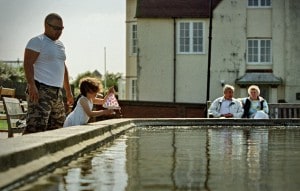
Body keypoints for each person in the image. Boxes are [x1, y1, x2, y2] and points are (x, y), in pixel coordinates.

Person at [23, 13, 74, 134]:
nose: (59, 32)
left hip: (57, 92)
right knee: (36, 128)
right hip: (40, 90)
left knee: (58, 127)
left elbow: (62, 67)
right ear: (46, 25)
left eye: (61, 29)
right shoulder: (37, 41)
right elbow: (27, 63)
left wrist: (68, 91)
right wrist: (31, 85)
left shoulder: (60, 45)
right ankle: (18, 152)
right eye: (56, 28)